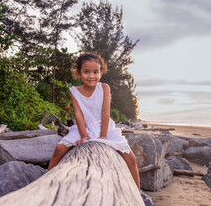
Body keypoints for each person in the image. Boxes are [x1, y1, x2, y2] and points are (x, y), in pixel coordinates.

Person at [48, 52, 141, 191]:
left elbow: (105, 112)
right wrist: (84, 135)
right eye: (86, 72)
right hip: (83, 127)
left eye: (95, 72)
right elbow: (78, 115)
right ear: (78, 73)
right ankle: (47, 180)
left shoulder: (104, 88)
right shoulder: (74, 91)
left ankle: (137, 192)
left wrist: (103, 135)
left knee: (130, 157)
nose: (91, 76)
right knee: (59, 148)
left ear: (101, 72)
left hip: (105, 127)